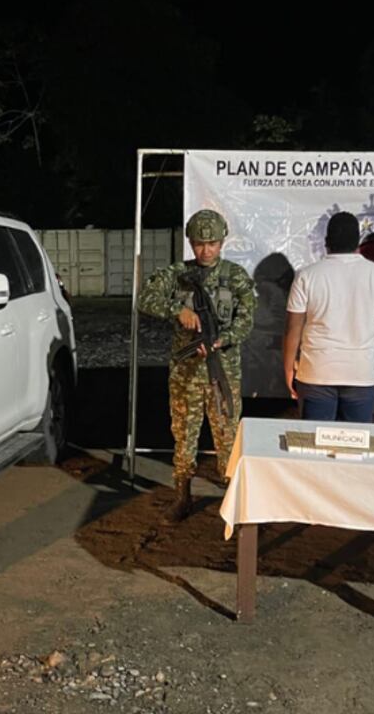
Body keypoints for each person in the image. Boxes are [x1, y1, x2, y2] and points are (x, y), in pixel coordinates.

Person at [138, 209, 255, 523]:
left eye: (212, 243)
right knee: (184, 435)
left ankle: (231, 499)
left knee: (227, 436)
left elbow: (246, 321)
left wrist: (221, 339)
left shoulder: (236, 276)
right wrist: (178, 310)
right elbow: (144, 298)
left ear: (222, 242)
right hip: (186, 373)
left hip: (223, 371)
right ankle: (182, 496)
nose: (206, 250)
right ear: (190, 242)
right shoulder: (177, 274)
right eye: (200, 243)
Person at [283, 212, 374, 422]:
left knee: (315, 447)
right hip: (362, 374)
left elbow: (293, 327)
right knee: (356, 448)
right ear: (358, 241)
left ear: (326, 242)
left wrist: (289, 368)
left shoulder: (307, 275)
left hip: (316, 372)